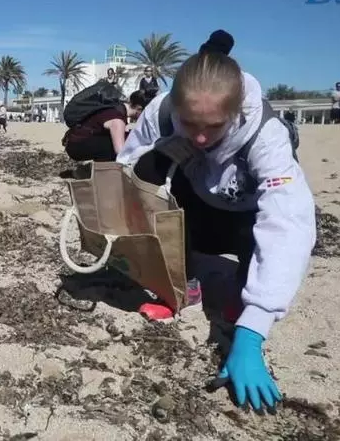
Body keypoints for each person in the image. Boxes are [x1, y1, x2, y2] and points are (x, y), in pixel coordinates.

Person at [116, 51, 316, 412]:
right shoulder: (161, 113)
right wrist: (159, 154)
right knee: (156, 178)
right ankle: (184, 286)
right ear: (176, 107)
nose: (202, 138)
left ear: (236, 113)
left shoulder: (265, 135)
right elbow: (125, 173)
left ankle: (242, 290)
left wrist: (253, 331)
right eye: (191, 124)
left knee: (245, 283)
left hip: (244, 224)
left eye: (215, 126)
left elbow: (287, 223)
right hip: (196, 215)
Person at [63, 90, 147, 162]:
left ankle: (95, 169)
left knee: (124, 136)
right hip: (76, 147)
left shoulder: (115, 106)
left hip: (73, 141)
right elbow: (121, 153)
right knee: (115, 145)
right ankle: (101, 172)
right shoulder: (117, 120)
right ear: (139, 109)